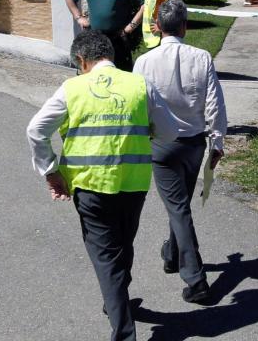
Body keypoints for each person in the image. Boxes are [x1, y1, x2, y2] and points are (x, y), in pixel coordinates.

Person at [26, 30, 181, 341]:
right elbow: (170, 132)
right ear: (110, 54)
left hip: (90, 186)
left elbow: (36, 130)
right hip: (133, 184)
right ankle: (116, 302)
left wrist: (51, 172)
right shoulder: (139, 85)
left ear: (81, 60)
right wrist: (145, 131)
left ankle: (123, 331)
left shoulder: (72, 88)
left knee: (106, 256)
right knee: (123, 245)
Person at [132, 0, 227, 304]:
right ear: (184, 26)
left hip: (162, 145)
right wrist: (217, 141)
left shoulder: (144, 62)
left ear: (158, 27)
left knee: (179, 208)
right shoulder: (202, 57)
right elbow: (215, 103)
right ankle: (172, 254)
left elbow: (138, 106)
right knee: (180, 206)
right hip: (194, 143)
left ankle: (196, 279)